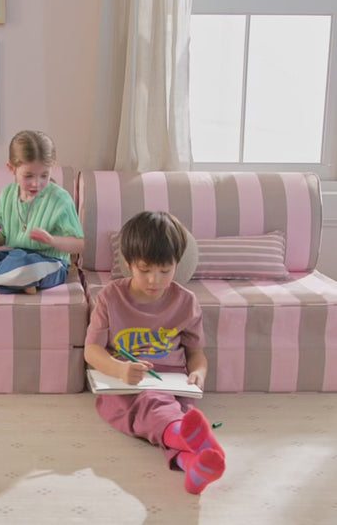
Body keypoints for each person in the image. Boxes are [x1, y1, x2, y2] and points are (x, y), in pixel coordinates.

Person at [84, 211, 225, 494]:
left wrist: (198, 374)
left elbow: (196, 353)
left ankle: (192, 465)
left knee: (176, 415)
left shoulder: (186, 302)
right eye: (145, 270)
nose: (155, 280)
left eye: (165, 270)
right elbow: (92, 350)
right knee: (155, 406)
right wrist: (120, 369)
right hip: (125, 384)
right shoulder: (111, 297)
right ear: (128, 263)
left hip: (174, 384)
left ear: (176, 264)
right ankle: (196, 444)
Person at [0, 130, 84, 294]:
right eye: (28, 176)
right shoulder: (7, 195)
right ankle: (16, 280)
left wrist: (52, 240)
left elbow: (79, 245)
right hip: (15, 258)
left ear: (52, 167)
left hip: (50, 263)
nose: (36, 183)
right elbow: (2, 235)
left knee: (26, 266)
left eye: (44, 175)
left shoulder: (60, 199)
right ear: (12, 168)